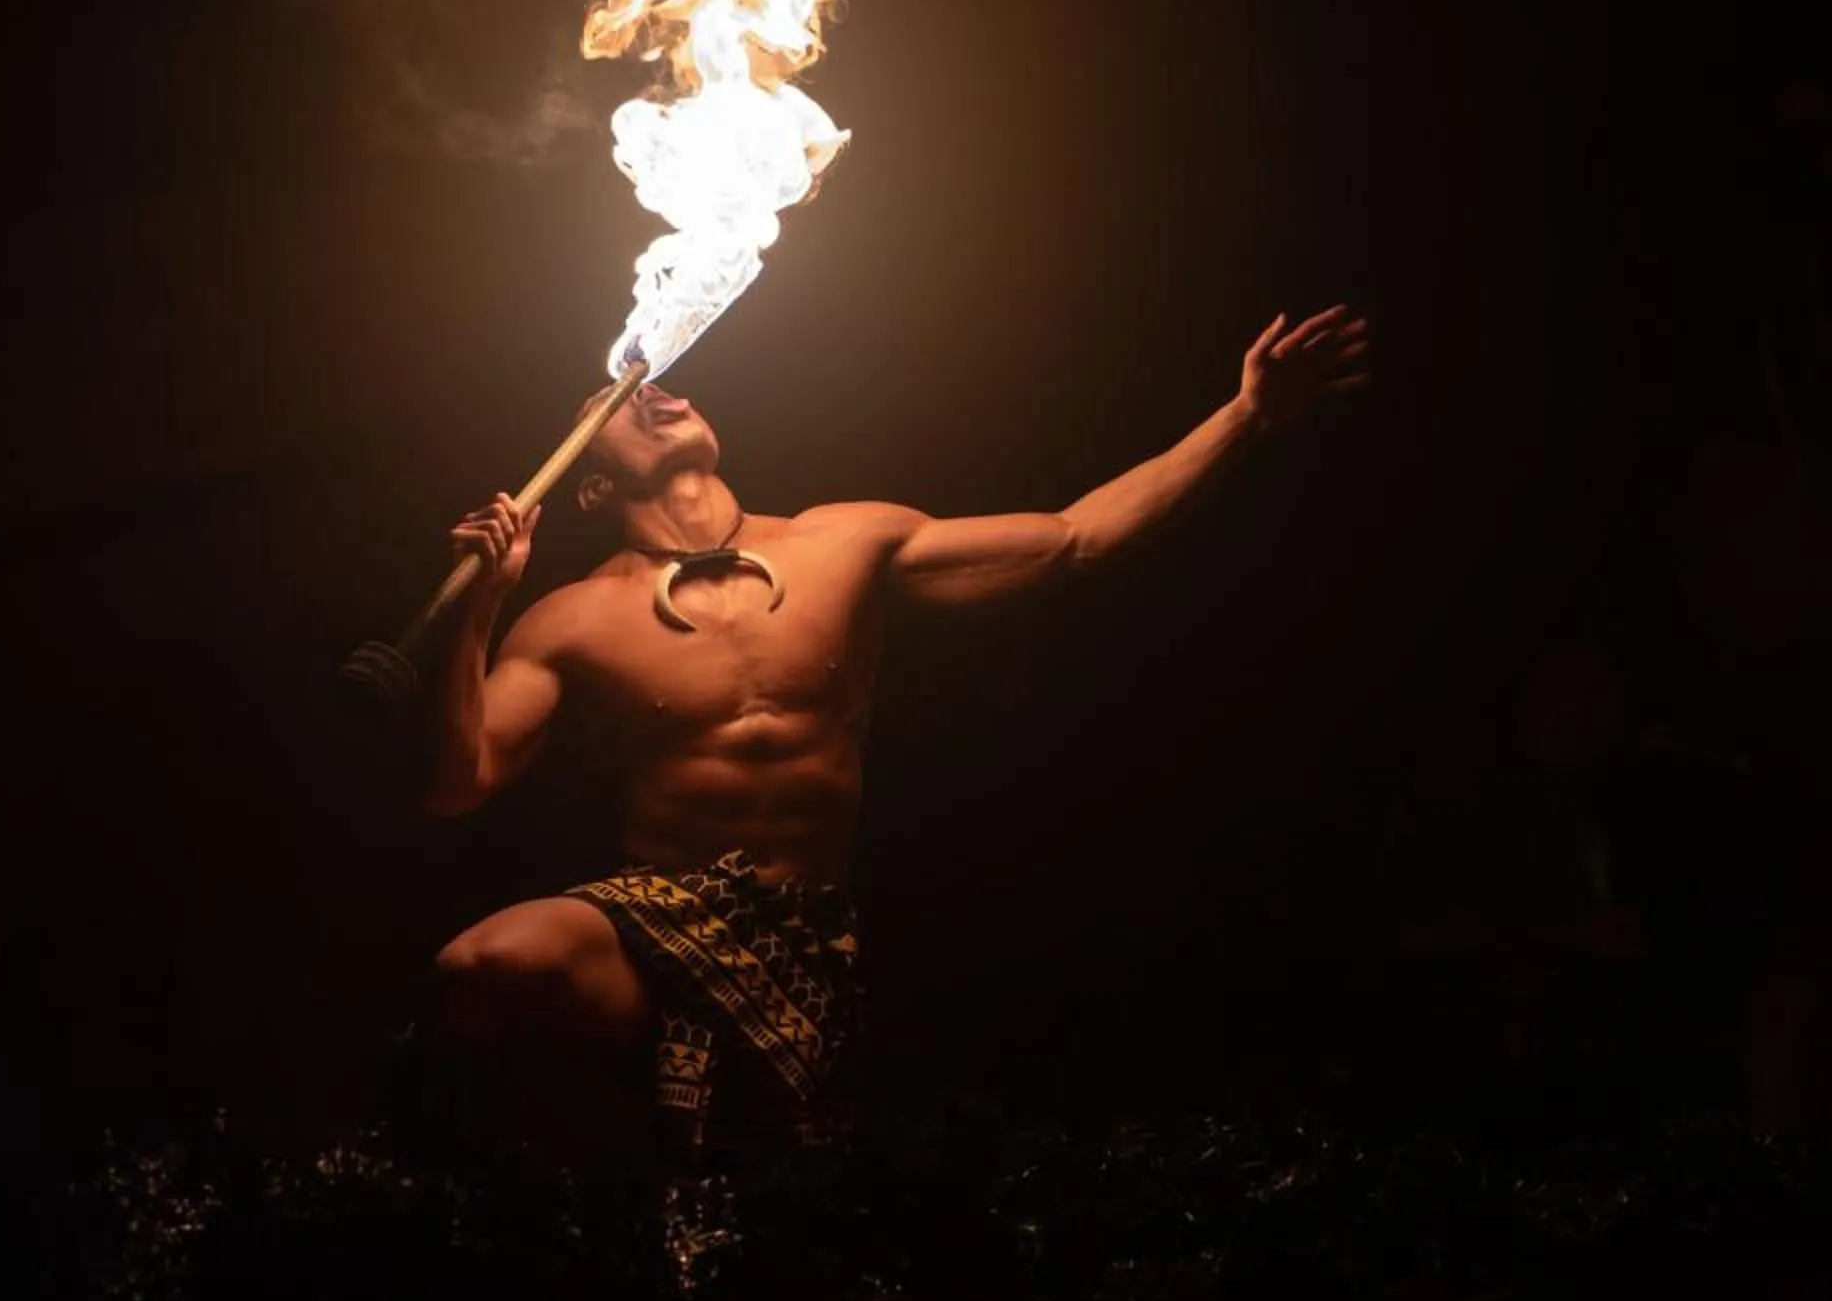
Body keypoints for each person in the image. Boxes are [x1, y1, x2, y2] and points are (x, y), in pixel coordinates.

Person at [417, 306, 1370, 1157]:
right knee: (483, 967)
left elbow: (1079, 538)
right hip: (655, 920)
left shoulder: (845, 541)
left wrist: (1245, 416)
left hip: (810, 936)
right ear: (588, 488)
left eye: (660, 379)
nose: (653, 388)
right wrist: (481, 607)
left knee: (755, 1189)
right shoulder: (570, 619)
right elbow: (459, 783)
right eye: (617, 398)